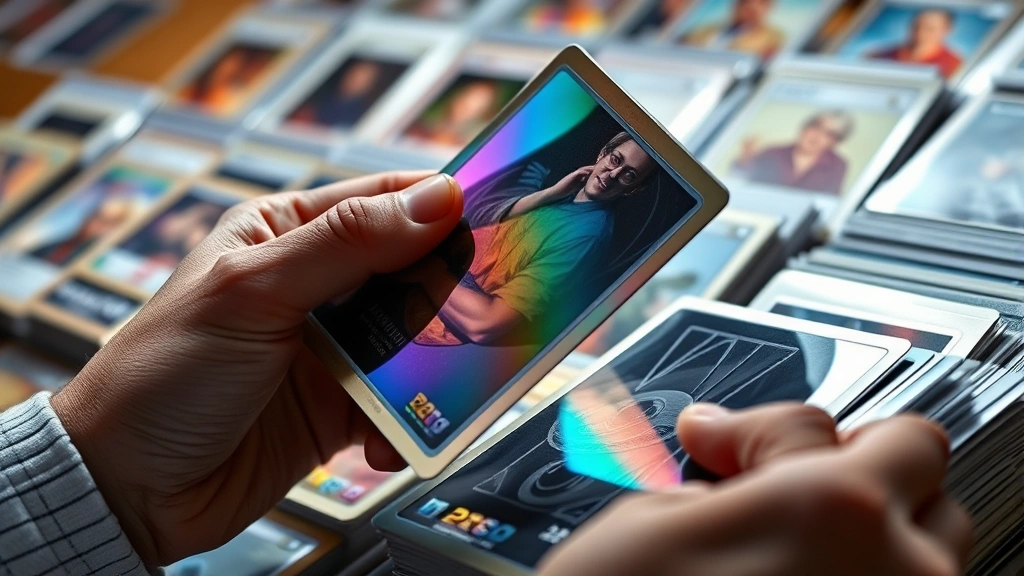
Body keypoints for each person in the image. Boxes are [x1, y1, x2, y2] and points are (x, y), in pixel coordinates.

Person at [0, 172, 971, 574]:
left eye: (616, 170)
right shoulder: (554, 202)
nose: (600, 174)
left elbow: (498, 305)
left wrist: (107, 481)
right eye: (600, 164)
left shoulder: (579, 224)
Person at [408, 132, 656, 347]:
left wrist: (426, 268)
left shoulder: (586, 236)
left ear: (633, 189)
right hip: (413, 295)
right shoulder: (568, 196)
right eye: (615, 160)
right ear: (603, 153)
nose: (612, 174)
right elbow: (498, 221)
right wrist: (552, 193)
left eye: (628, 176)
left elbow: (484, 324)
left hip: (422, 320)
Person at [732, 110, 854, 196]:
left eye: (828, 134)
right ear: (804, 128)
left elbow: (828, 201)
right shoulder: (772, 152)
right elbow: (740, 184)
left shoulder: (838, 164)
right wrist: (745, 158)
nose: (817, 137)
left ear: (835, 142)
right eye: (816, 128)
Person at [405, 78, 510, 148]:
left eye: (478, 107)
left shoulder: (465, 144)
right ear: (457, 95)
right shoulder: (416, 124)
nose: (467, 109)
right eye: (467, 99)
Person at [290, 60, 390, 129]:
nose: (355, 80)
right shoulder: (318, 90)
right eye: (354, 74)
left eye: (363, 79)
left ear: (369, 85)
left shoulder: (359, 115)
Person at [868, 9, 962, 79]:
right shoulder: (878, 56)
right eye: (916, 26)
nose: (920, 32)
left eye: (930, 28)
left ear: (947, 30)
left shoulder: (954, 66)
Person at [678, 0, 785, 59]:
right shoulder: (708, 30)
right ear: (736, 6)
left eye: (761, 4)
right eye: (746, 2)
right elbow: (681, 45)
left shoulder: (773, 37)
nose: (752, 8)